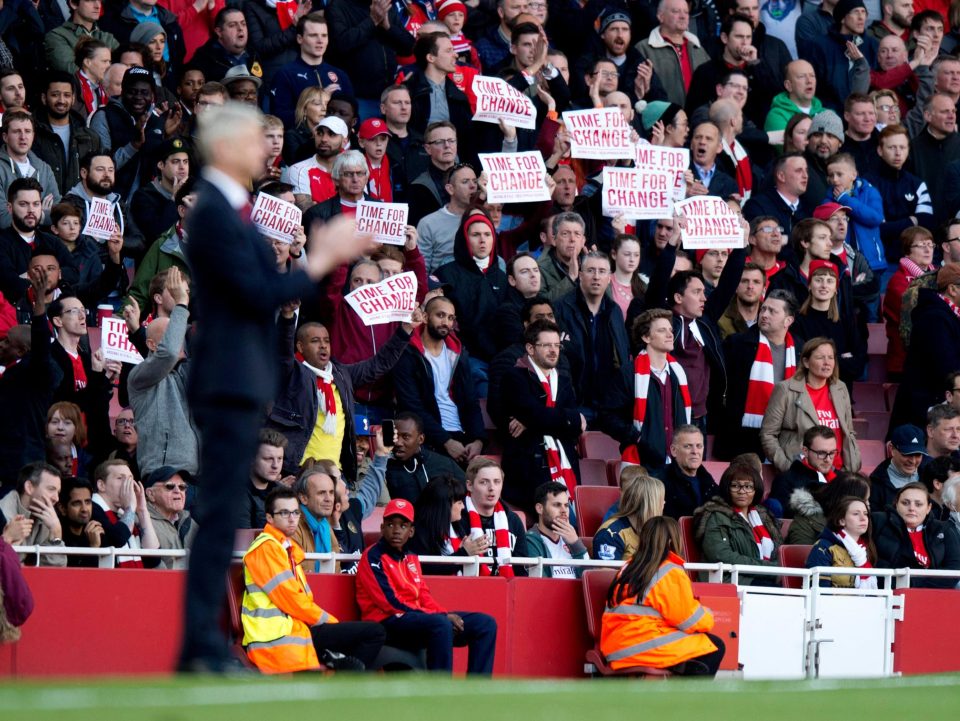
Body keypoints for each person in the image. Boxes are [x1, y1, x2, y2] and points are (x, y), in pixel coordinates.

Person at [178, 101, 367, 673]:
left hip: (238, 379)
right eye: (258, 139)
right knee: (217, 516)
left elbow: (261, 285)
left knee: (219, 515)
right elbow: (257, 293)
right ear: (227, 147)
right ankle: (200, 647)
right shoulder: (213, 209)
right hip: (227, 379)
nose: (268, 148)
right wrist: (320, 259)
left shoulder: (232, 208)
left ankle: (199, 647)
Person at [241, 486, 385, 673]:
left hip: (295, 628)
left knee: (369, 635)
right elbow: (292, 600)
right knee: (374, 633)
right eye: (284, 513)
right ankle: (344, 682)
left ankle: (342, 674)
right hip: (278, 635)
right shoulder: (267, 548)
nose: (292, 518)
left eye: (295, 512)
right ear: (269, 518)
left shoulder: (285, 548)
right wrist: (330, 622)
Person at [268, 301, 415, 479]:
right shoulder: (293, 372)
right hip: (298, 470)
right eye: (315, 341)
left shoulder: (341, 374)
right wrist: (287, 317)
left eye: (326, 341)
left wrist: (405, 329)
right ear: (300, 347)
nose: (323, 346)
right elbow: (283, 352)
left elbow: (379, 364)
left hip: (336, 473)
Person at [356, 497, 497, 674]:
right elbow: (390, 602)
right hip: (387, 622)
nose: (396, 531)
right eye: (391, 525)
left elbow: (423, 595)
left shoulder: (412, 558)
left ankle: (477, 693)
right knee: (440, 624)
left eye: (403, 525)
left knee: (484, 624)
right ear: (382, 528)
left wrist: (443, 614)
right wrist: (442, 618)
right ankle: (439, 691)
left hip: (417, 619)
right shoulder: (373, 557)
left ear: (412, 531)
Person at [601, 516, 724, 676]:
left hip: (615, 646)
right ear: (672, 542)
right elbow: (689, 620)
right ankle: (687, 700)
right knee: (714, 645)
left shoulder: (629, 566)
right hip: (643, 646)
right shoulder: (670, 571)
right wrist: (708, 615)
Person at [498, 319, 583, 515]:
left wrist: (534, 421)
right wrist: (569, 418)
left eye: (557, 345)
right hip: (529, 471)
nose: (554, 350)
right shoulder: (514, 376)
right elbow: (533, 413)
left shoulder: (563, 380)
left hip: (564, 462)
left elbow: (567, 425)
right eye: (546, 345)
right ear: (530, 348)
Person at [393, 295, 485, 464]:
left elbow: (471, 402)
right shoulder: (408, 354)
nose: (446, 322)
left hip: (463, 438)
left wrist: (478, 440)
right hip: (429, 439)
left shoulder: (458, 354)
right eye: (440, 315)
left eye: (451, 318)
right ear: (426, 317)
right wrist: (445, 441)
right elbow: (411, 406)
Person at [127, 267, 199, 480]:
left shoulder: (187, 372)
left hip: (196, 477)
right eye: (171, 335)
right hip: (162, 474)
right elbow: (166, 354)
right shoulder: (139, 377)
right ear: (151, 343)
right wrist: (181, 304)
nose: (178, 340)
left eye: (178, 335)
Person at [600, 308, 691, 470]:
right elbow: (607, 416)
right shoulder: (629, 373)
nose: (670, 335)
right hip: (643, 463)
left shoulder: (679, 374)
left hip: (677, 464)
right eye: (662, 331)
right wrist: (638, 437)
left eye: (670, 330)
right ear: (646, 337)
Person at [718, 289, 799, 460]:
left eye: (772, 311)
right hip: (742, 436)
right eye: (764, 309)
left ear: (788, 320)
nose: (764, 314)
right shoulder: (737, 344)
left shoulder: (800, 350)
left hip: (784, 435)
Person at [761, 337, 860, 475]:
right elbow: (768, 435)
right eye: (820, 358)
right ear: (806, 362)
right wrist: (788, 468)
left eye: (831, 357)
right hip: (802, 473)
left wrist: (850, 465)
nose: (827, 363)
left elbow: (848, 431)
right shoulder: (785, 389)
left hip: (838, 472)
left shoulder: (840, 388)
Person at [892, 263, 960, 430]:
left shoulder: (949, 316)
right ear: (952, 289)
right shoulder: (935, 318)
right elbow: (946, 368)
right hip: (923, 417)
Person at [692, 460, 782, 586]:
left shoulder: (764, 518)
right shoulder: (716, 516)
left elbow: (778, 553)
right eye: (735, 486)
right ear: (726, 488)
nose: (742, 491)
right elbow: (722, 556)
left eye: (748, 486)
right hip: (726, 580)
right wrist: (768, 569)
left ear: (756, 490)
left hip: (758, 577)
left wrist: (773, 569)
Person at [269, 14, 352, 129]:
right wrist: (314, 104)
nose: (320, 41)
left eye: (324, 35)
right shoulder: (285, 75)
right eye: (313, 35)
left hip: (337, 143)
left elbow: (353, 117)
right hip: (299, 142)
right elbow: (278, 118)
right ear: (299, 39)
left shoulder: (340, 75)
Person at [872, 482, 960, 588]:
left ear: (928, 508)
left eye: (918, 504)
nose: (912, 508)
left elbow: (954, 569)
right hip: (889, 592)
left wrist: (915, 584)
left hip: (933, 595)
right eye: (905, 503)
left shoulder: (944, 529)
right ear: (896, 504)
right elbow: (874, 561)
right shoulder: (878, 522)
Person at [454, 457, 528, 576]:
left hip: (506, 589)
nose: (491, 488)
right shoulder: (457, 517)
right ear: (469, 485)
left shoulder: (513, 520)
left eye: (497, 482)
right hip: (467, 589)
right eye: (484, 482)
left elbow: (521, 570)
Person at [883, 227, 937, 377]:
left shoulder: (939, 276)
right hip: (905, 364)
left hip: (932, 359)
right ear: (908, 250)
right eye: (921, 245)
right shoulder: (898, 281)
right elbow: (917, 316)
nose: (928, 250)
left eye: (930, 244)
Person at [406, 474, 486, 574]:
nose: (463, 507)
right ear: (445, 506)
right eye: (459, 502)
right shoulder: (417, 534)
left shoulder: (458, 526)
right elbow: (426, 569)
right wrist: (464, 553)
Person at [91, 459, 159, 568]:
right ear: (101, 485)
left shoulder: (125, 514)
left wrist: (142, 510)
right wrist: (130, 507)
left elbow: (153, 559)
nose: (128, 484)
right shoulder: (92, 509)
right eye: (120, 478)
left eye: (130, 479)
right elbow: (118, 539)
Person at [384, 412, 465, 504]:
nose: (398, 443)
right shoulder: (384, 468)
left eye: (405, 437)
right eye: (395, 436)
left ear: (421, 439)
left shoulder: (444, 463)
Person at [0, 112, 62, 230]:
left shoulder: (44, 169)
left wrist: (22, 214)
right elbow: (2, 219)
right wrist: (42, 214)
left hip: (40, 242)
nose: (23, 137)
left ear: (33, 135)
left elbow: (58, 214)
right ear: (5, 137)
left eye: (27, 131)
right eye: (16, 131)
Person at [0, 462, 66, 566]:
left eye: (58, 492)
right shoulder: (3, 512)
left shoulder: (46, 517)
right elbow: (9, 567)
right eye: (51, 489)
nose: (56, 498)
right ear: (29, 487)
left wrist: (56, 534)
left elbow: (54, 572)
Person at [806, 496, 878, 588]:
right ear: (841, 520)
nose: (863, 518)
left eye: (866, 513)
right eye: (856, 514)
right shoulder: (823, 547)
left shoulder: (865, 548)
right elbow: (820, 590)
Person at [593, 474, 665, 562]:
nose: (664, 504)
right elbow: (607, 573)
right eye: (661, 500)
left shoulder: (657, 531)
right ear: (649, 505)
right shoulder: (610, 534)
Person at [524, 481, 588, 579]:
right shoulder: (530, 541)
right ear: (540, 508)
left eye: (566, 505)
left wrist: (576, 544)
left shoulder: (572, 540)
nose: (564, 510)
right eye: (557, 505)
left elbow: (588, 578)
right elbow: (539, 585)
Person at [786, 472, 871, 545]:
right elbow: (801, 559)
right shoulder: (806, 522)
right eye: (864, 500)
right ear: (845, 501)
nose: (867, 505)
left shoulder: (863, 521)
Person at [654, 424, 719, 520]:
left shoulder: (710, 483)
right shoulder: (659, 483)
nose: (695, 451)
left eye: (699, 446)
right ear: (674, 450)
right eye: (688, 446)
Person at [44, 0, 119, 74]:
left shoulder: (107, 37)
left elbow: (124, 68)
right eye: (90, 0)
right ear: (73, 4)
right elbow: (71, 71)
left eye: (99, 1)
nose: (98, 6)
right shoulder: (57, 36)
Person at [143, 466, 196, 570]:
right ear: (151, 494)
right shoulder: (142, 521)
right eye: (170, 486)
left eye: (182, 487)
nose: (177, 491)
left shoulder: (190, 521)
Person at [869, 424, 926, 514]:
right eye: (907, 454)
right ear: (892, 449)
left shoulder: (929, 476)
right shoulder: (875, 483)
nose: (913, 461)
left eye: (918, 455)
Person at [56, 476, 104, 567]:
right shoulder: (56, 535)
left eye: (88, 502)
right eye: (77, 503)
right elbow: (79, 577)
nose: (84, 509)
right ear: (62, 508)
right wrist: (93, 548)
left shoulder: (95, 531)